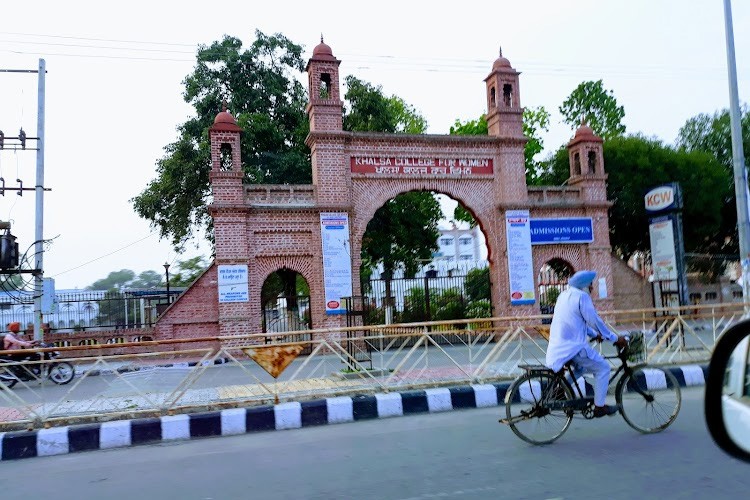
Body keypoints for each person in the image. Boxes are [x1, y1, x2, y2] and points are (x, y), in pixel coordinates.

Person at [545, 270, 628, 418]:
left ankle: (561, 389)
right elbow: (594, 320)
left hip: (558, 347)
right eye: (590, 286)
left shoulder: (563, 296)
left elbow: (577, 323)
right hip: (574, 348)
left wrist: (595, 335)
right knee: (603, 368)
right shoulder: (582, 297)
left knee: (582, 368)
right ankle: (599, 407)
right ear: (583, 286)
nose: (592, 289)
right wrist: (615, 338)